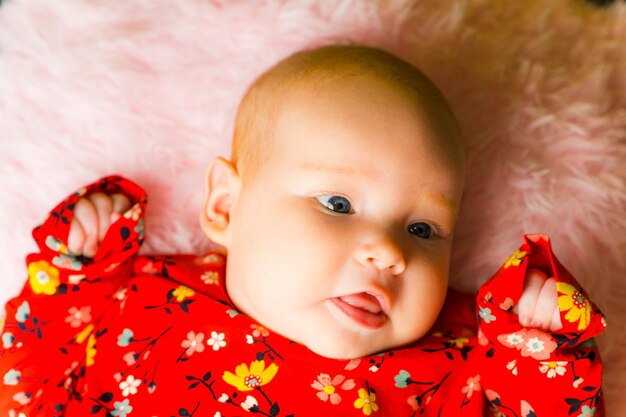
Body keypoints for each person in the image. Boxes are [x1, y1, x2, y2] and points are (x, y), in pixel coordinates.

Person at [0, 45, 605, 416]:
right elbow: (30, 384)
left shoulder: (454, 363)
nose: (390, 251)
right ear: (226, 208)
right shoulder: (141, 301)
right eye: (339, 202)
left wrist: (539, 348)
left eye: (424, 228)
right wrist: (76, 274)